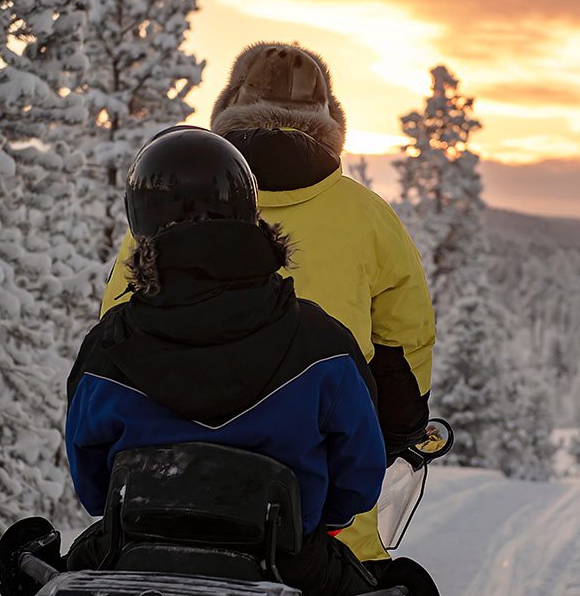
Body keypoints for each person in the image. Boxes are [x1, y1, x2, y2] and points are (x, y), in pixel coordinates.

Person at [102, 43, 436, 566]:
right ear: (329, 122)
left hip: (164, 497)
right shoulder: (367, 217)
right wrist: (399, 428)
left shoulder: (170, 211)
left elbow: (116, 331)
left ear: (229, 108)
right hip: (318, 498)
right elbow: (403, 342)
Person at [64, 127, 385, 596]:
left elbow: (91, 485)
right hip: (288, 562)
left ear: (143, 223)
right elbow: (359, 478)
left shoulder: (108, 346)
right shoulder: (323, 344)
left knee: (45, 586)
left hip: (134, 551)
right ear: (247, 212)